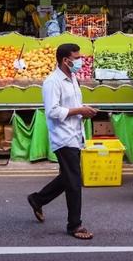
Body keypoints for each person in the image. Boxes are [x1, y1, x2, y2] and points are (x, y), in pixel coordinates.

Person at [27, 43, 98, 239]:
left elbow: (71, 106)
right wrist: (79, 111)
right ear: (66, 60)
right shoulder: (52, 82)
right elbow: (53, 111)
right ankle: (75, 225)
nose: (79, 61)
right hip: (63, 136)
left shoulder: (73, 78)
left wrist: (84, 111)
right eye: (76, 58)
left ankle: (37, 199)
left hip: (75, 133)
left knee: (68, 177)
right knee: (74, 181)